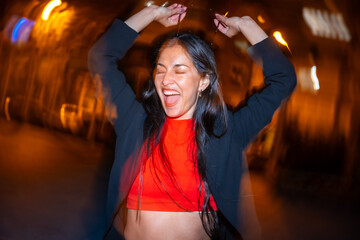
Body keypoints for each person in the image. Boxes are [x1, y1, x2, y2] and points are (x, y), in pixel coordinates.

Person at [88, 3, 296, 240]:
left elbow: (284, 79)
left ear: (203, 81)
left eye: (179, 70)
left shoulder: (228, 132)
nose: (166, 80)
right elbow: (100, 56)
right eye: (160, 69)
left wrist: (247, 26)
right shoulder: (136, 123)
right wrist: (151, 14)